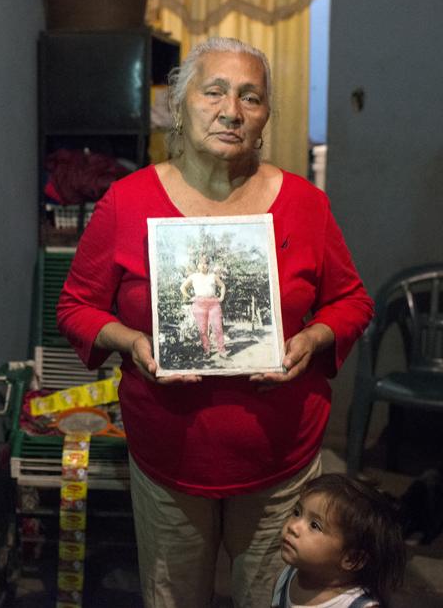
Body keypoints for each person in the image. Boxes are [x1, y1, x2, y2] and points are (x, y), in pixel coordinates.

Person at [56, 37, 374, 608]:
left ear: (265, 117)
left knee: (270, 597)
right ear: (179, 107)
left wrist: (314, 336)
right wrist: (131, 342)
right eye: (215, 91)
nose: (232, 110)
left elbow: (351, 301)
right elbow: (76, 307)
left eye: (251, 98)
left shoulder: (306, 204)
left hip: (282, 464)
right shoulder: (126, 202)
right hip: (169, 459)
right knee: (172, 597)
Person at [271, 474, 406, 608]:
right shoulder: (286, 577)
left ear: (352, 558)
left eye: (314, 525)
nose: (293, 527)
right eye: (296, 512)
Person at [180, 253, 227, 359]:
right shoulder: (193, 276)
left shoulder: (213, 276)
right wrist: (189, 297)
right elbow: (182, 287)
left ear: (208, 265)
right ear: (198, 265)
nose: (203, 266)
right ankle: (207, 350)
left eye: (205, 263)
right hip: (199, 304)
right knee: (203, 329)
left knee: (218, 327)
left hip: (213, 303)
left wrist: (221, 297)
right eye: (201, 263)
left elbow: (222, 286)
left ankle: (222, 351)